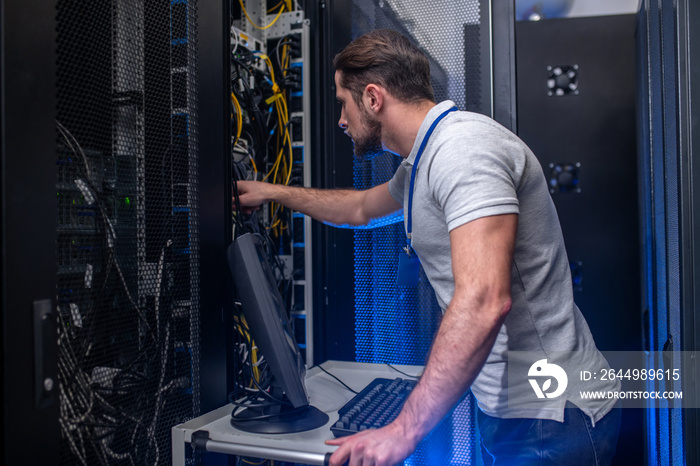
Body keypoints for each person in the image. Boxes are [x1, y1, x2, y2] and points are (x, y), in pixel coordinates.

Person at [237, 29, 621, 466]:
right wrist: (272, 192)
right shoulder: (423, 161)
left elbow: (483, 301)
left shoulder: (463, 151)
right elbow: (360, 208)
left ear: (374, 98)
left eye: (344, 102)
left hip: (554, 417)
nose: (341, 120)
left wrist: (403, 430)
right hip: (520, 411)